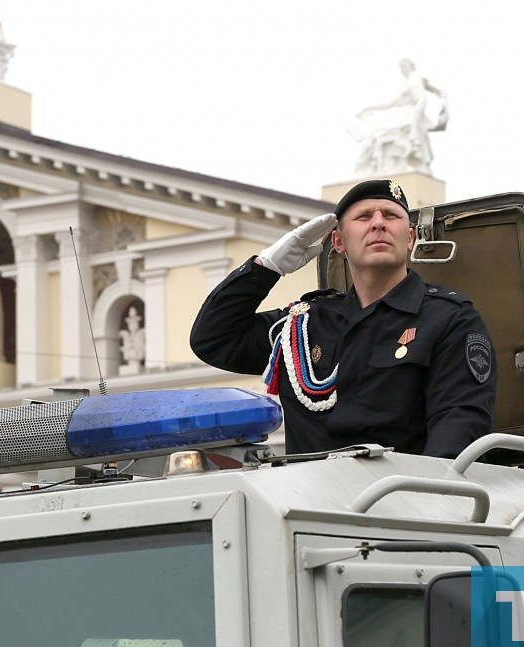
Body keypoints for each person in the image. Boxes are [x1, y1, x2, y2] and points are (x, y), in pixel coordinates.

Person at [190, 179, 495, 458]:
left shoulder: (448, 319)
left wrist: (420, 501)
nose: (378, 224)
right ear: (338, 243)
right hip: (304, 507)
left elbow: (457, 423)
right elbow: (214, 339)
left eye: (391, 216)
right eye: (363, 217)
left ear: (410, 238)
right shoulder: (305, 324)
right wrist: (267, 267)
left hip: (399, 500)